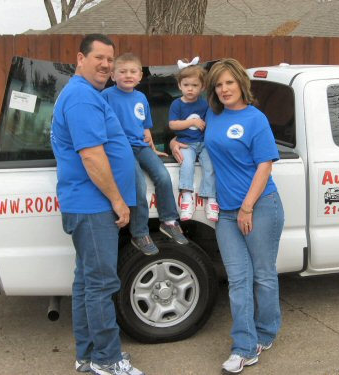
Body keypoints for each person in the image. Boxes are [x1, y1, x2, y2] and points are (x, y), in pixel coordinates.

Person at [171, 58, 284, 374]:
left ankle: (266, 332)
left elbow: (265, 166)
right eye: (218, 85)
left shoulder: (255, 119)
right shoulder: (213, 115)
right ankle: (244, 347)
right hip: (225, 212)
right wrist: (173, 142)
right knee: (238, 280)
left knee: (262, 275)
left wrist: (247, 206)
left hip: (259, 207)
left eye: (228, 83)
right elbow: (193, 136)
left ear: (240, 84)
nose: (223, 89)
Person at [51, 34, 144, 375]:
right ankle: (107, 359)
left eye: (110, 59)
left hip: (89, 205)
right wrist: (118, 200)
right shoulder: (81, 98)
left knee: (87, 283)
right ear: (80, 58)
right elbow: (91, 156)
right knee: (102, 284)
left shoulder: (86, 94)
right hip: (93, 207)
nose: (106, 64)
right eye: (99, 58)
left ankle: (88, 356)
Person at [102, 52, 188, 256]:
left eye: (133, 71)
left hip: (141, 147)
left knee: (163, 177)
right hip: (121, 150)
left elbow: (144, 127)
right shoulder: (106, 96)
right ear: (113, 75)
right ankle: (139, 233)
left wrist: (153, 147)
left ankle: (169, 221)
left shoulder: (141, 98)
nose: (128, 75)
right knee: (138, 187)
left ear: (140, 76)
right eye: (122, 72)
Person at [169, 57, 219, 222]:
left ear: (202, 87)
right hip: (186, 144)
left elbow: (211, 125)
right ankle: (187, 197)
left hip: (203, 144)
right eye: (186, 85)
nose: (190, 89)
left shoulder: (205, 105)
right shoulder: (177, 104)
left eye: (195, 85)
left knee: (210, 165)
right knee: (187, 164)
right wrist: (192, 122)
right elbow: (173, 125)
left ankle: (211, 198)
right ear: (179, 86)